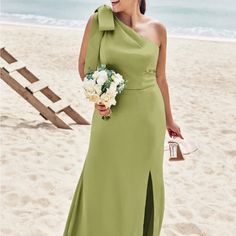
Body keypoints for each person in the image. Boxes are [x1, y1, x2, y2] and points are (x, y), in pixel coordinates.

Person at [63, 1, 183, 235]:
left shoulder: (158, 29)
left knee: (138, 186)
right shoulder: (99, 21)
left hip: (148, 119)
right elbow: (84, 66)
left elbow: (161, 79)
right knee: (101, 182)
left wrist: (170, 120)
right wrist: (98, 98)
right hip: (109, 117)